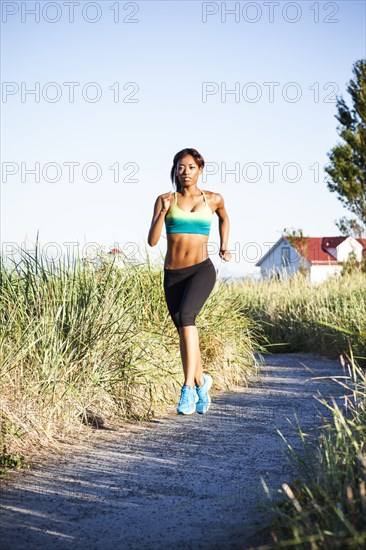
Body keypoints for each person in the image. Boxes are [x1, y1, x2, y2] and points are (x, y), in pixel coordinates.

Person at [148, 148, 231, 415]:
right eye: (181, 167)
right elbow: (151, 240)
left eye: (191, 167)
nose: (186, 172)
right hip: (173, 275)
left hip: (201, 270)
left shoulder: (214, 199)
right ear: (175, 170)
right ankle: (201, 380)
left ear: (200, 170)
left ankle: (188, 389)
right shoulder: (165, 199)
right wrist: (162, 212)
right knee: (185, 331)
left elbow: (225, 217)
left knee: (186, 317)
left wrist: (224, 245)